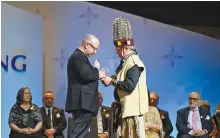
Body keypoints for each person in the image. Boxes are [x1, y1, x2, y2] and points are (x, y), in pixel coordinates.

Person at [101, 17, 149, 138]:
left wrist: (112, 81)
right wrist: (110, 79)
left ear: (125, 48)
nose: (116, 52)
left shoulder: (134, 63)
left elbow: (129, 85)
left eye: (118, 49)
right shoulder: (126, 63)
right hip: (126, 111)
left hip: (133, 114)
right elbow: (121, 79)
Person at [65, 34, 108, 138]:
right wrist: (96, 70)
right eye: (94, 48)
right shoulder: (78, 57)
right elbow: (87, 75)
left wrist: (96, 74)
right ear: (86, 44)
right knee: (78, 134)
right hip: (82, 103)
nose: (95, 52)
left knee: (80, 133)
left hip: (83, 103)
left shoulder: (79, 56)